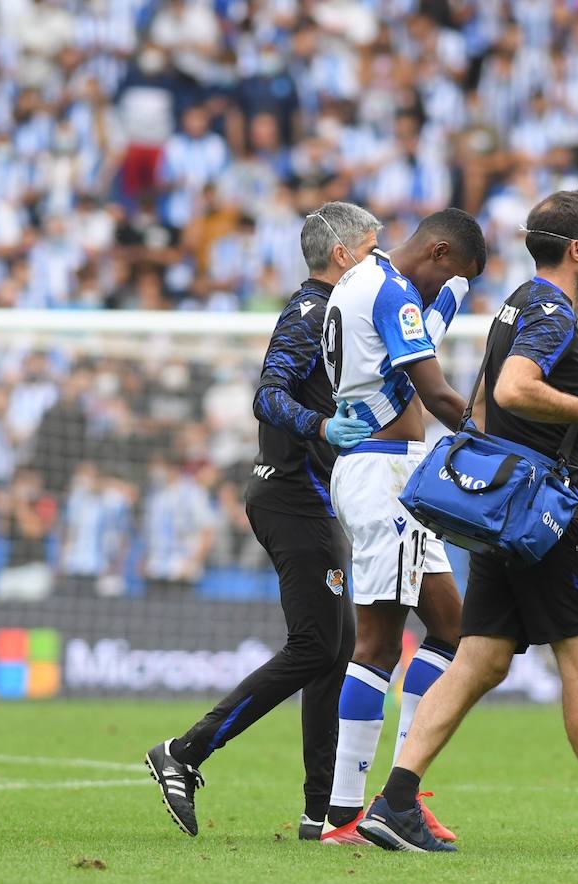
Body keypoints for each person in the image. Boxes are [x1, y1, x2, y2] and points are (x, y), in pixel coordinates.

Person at [356, 190, 578, 856]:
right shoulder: (552, 312)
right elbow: (513, 389)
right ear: (576, 250)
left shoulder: (516, 301)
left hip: (505, 512)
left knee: (479, 660)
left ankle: (395, 803)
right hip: (545, 514)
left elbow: (484, 405)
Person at [144, 202, 379, 841]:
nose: (380, 259)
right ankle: (185, 752)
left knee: (333, 650)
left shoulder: (344, 316)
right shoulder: (310, 314)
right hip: (290, 497)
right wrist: (322, 426)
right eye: (372, 247)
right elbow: (267, 396)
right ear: (343, 255)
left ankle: (322, 813)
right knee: (316, 646)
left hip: (311, 498)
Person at [317, 208, 487, 845]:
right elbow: (438, 396)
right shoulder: (389, 291)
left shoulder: (369, 285)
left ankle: (382, 805)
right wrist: (507, 440)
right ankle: (366, 810)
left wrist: (453, 292)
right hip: (384, 475)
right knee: (395, 641)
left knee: (432, 632)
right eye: (455, 270)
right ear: (438, 250)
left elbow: (419, 324)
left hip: (388, 474)